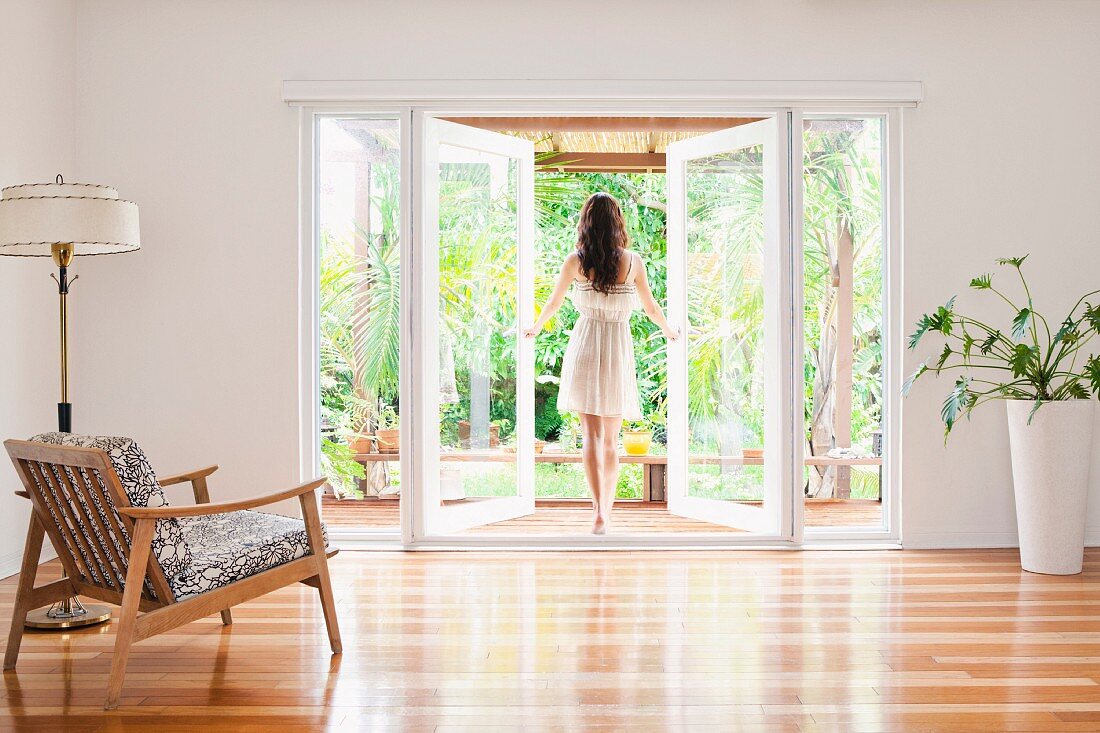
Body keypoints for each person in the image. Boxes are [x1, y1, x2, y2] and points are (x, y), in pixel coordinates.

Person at [523, 193, 679, 534]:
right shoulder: (633, 262)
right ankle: (605, 511)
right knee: (611, 439)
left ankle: (598, 512)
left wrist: (534, 328)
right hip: (617, 349)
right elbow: (651, 309)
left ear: (587, 223)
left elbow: (553, 302)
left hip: (585, 344)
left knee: (591, 437)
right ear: (617, 222)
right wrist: (670, 331)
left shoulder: (574, 262)